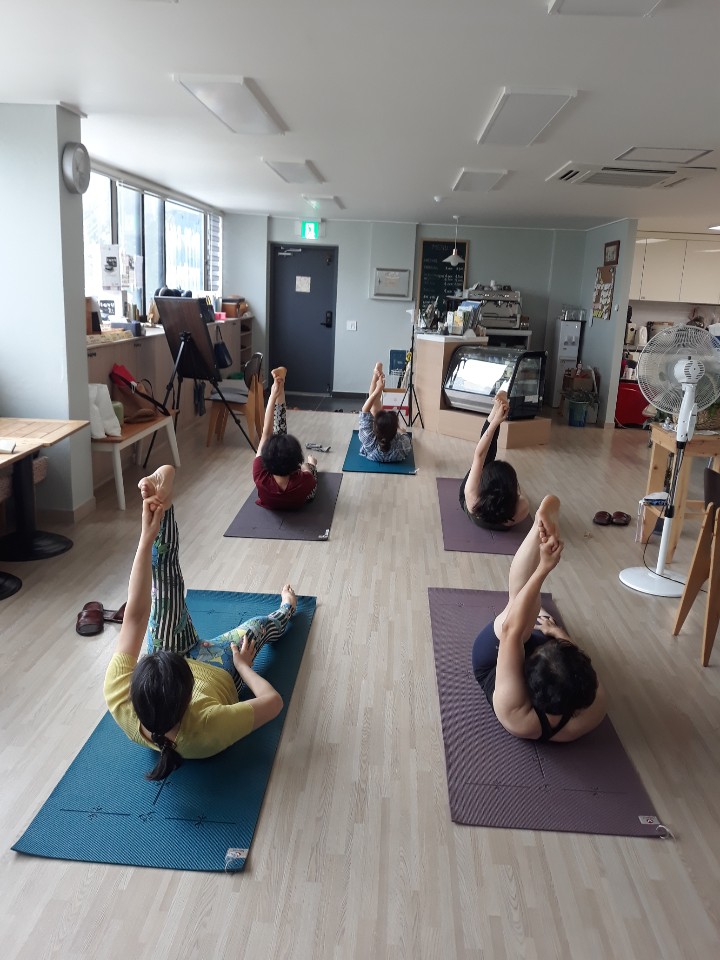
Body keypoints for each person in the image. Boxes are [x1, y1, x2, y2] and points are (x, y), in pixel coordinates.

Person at [104, 465, 297, 781]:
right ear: (189, 696)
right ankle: (287, 609)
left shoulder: (119, 696)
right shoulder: (208, 730)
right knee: (256, 628)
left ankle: (163, 507)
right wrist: (244, 667)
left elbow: (135, 616)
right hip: (222, 667)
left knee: (164, 585)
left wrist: (145, 539)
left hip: (170, 664)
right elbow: (273, 703)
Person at [472, 495, 607, 742]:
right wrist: (559, 634)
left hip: (492, 662)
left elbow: (512, 630)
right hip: (554, 672)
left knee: (517, 616)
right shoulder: (593, 708)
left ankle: (538, 527)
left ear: (529, 685)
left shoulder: (515, 712)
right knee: (532, 621)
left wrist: (544, 568)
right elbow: (581, 664)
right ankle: (539, 612)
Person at [458, 390, 529, 530]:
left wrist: (496, 422)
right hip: (501, 507)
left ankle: (494, 412)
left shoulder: (472, 498)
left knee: (486, 458)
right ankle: (495, 411)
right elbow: (521, 496)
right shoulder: (521, 509)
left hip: (473, 506)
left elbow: (479, 455)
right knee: (486, 458)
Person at [252, 366, 318, 509]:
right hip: (299, 498)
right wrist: (309, 466)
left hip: (271, 499)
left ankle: (280, 385)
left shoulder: (260, 476)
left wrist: (272, 396)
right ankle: (312, 463)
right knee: (311, 470)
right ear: (296, 463)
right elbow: (307, 474)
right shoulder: (305, 481)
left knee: (279, 436)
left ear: (266, 461)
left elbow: (266, 433)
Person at [358, 361, 412, 463]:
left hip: (374, 447)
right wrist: (401, 431)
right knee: (375, 410)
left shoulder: (369, 440)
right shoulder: (402, 446)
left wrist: (378, 390)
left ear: (375, 429)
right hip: (389, 438)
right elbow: (405, 436)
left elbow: (364, 411)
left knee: (374, 410)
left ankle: (375, 376)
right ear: (394, 430)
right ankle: (376, 376)